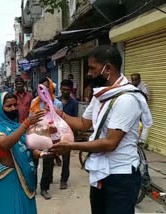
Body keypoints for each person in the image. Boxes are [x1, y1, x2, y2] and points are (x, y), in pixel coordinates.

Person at [50, 45, 153, 214]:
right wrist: (57, 113)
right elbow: (83, 123)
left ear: (108, 68)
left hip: (120, 176)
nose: (88, 73)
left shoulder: (126, 99)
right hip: (100, 172)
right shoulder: (102, 95)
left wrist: (71, 146)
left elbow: (110, 143)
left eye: (92, 68)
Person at [0, 92, 46, 214]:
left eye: (15, 105)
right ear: (0, 109)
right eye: (8, 106)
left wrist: (41, 153)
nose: (13, 108)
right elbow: (6, 144)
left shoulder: (16, 126)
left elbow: (26, 149)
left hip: (24, 174)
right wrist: (26, 124)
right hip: (7, 176)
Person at [30, 77, 63, 200]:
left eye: (46, 88)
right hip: (36, 135)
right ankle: (32, 188)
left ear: (50, 89)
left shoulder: (57, 103)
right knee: (33, 163)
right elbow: (30, 118)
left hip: (50, 137)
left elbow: (60, 122)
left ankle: (44, 188)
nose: (43, 91)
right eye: (41, 88)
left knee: (48, 163)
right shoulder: (34, 102)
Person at [58, 80, 79, 189]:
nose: (65, 92)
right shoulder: (55, 101)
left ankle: (64, 180)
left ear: (71, 91)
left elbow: (75, 119)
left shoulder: (74, 103)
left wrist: (74, 134)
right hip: (55, 133)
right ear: (60, 89)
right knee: (50, 155)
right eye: (63, 89)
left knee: (66, 158)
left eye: (67, 90)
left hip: (67, 133)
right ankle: (48, 178)